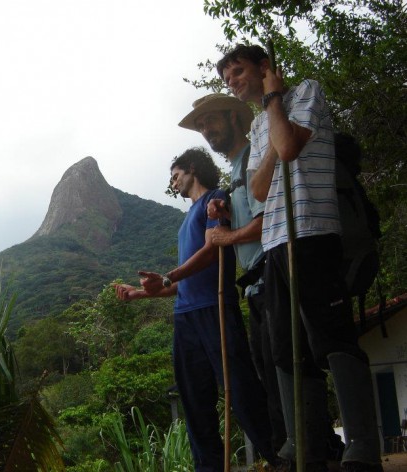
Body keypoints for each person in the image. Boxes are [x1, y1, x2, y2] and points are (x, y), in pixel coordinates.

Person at [216, 44, 382, 472]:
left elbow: (289, 146)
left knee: (331, 337)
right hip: (275, 243)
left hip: (312, 232)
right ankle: (305, 446)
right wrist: (274, 134)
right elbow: (258, 189)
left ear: (265, 67)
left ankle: (362, 446)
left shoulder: (306, 92)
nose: (233, 82)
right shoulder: (258, 125)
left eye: (238, 72)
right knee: (285, 346)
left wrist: (275, 100)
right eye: (228, 78)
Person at [114, 147, 277, 472]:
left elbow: (212, 249)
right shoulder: (186, 218)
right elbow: (183, 282)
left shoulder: (214, 200)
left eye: (176, 175)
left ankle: (278, 456)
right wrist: (139, 294)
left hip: (214, 308)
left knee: (240, 388)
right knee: (193, 398)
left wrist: (167, 276)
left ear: (192, 168)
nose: (173, 182)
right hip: (185, 316)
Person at [178, 93, 286, 454]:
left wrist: (227, 235)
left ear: (233, 118)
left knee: (269, 374)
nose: (206, 130)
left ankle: (292, 452)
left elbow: (268, 220)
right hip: (252, 285)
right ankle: (285, 452)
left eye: (210, 121)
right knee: (267, 371)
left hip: (269, 275)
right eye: (201, 126)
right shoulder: (235, 174)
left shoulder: (253, 159)